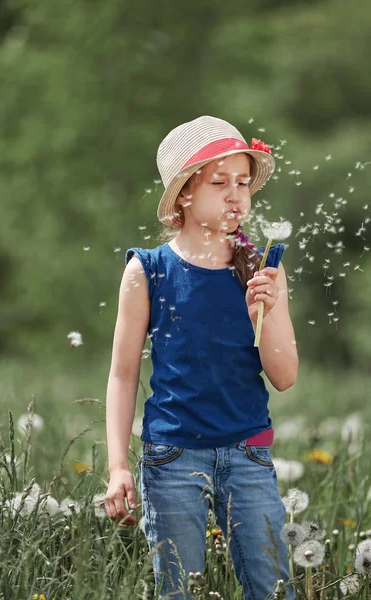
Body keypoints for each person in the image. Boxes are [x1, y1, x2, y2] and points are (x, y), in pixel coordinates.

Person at [105, 116, 298, 600]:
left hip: (249, 454)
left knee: (274, 589)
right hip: (171, 457)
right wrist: (117, 466)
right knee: (179, 591)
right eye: (219, 183)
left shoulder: (263, 268)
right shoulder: (147, 271)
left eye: (243, 183)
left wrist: (268, 310)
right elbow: (123, 374)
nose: (236, 196)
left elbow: (285, 376)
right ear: (184, 196)